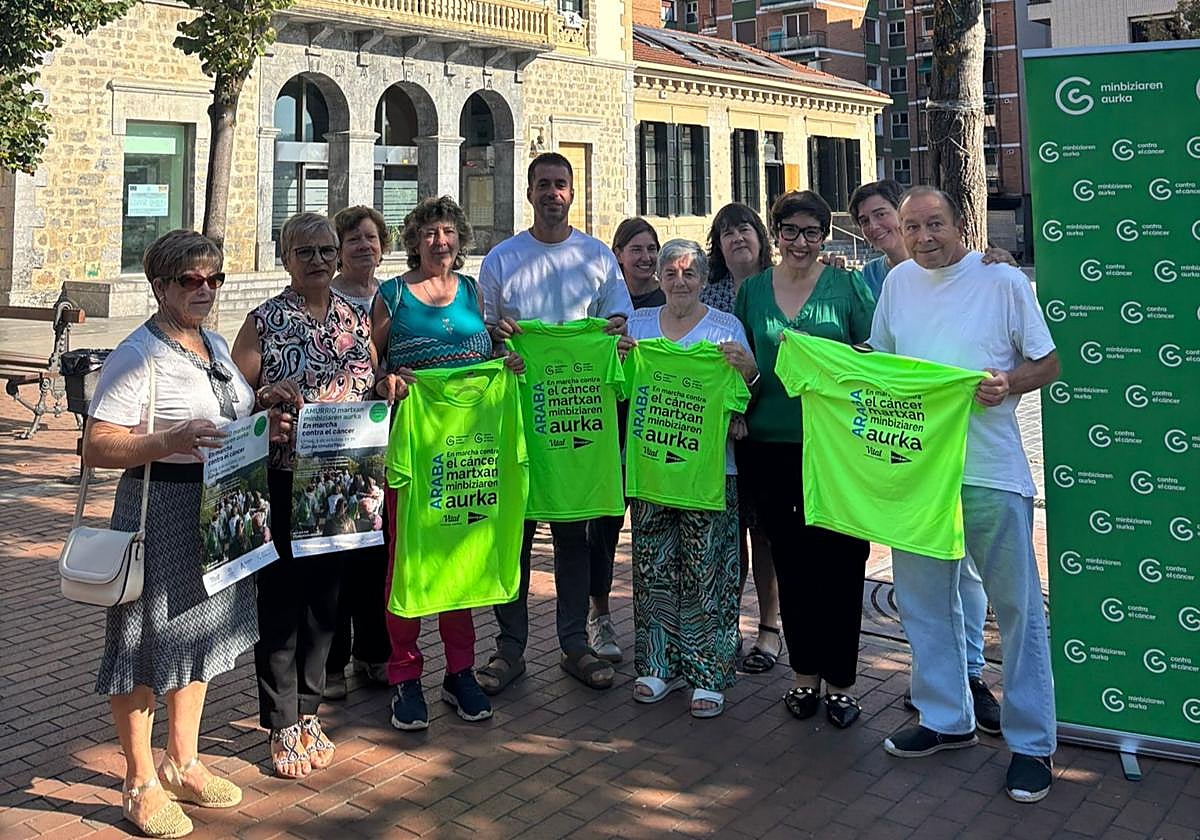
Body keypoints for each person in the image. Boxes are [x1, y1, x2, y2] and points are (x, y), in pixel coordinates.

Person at [869, 186, 1059, 803]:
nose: (924, 238)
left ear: (960, 224)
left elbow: (1048, 363)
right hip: (920, 475)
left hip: (991, 471)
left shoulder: (1001, 280)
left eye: (935, 225)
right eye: (912, 227)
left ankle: (1032, 744)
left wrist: (1008, 384)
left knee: (1017, 609)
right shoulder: (897, 284)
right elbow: (882, 364)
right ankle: (946, 718)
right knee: (924, 602)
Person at [84, 230, 260, 838]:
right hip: (158, 506)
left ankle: (183, 760)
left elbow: (229, 414)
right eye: (190, 280)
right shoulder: (139, 354)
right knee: (141, 642)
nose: (204, 289)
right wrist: (168, 441)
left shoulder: (210, 342)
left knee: (196, 636)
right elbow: (97, 445)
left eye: (213, 279)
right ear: (159, 286)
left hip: (213, 505)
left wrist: (266, 408)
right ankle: (139, 781)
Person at [849, 179, 1010, 735]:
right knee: (922, 581)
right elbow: (879, 352)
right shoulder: (878, 278)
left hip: (972, 453)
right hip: (909, 448)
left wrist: (996, 263)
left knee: (965, 574)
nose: (879, 228)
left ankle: (969, 679)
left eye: (883, 215)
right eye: (866, 220)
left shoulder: (985, 271)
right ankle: (941, 695)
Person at [232, 212, 381, 780]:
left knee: (326, 603)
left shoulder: (352, 316)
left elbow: (371, 381)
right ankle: (280, 720)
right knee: (282, 602)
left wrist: (388, 384)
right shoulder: (264, 320)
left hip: (341, 482)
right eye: (306, 252)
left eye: (325, 251)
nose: (318, 260)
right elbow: (236, 397)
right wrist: (265, 397)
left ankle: (311, 710)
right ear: (285, 258)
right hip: (283, 478)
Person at [479, 151, 634, 694]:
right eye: (542, 184)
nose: (552, 193)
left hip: (577, 420)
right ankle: (510, 648)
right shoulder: (502, 258)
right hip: (521, 413)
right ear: (529, 192)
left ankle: (574, 643)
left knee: (573, 536)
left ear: (572, 192)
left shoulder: (596, 257)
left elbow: (620, 319)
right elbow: (484, 333)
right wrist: (501, 343)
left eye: (560, 184)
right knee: (514, 537)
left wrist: (608, 331)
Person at [734, 190, 875, 729]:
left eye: (811, 232)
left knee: (841, 562)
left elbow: (874, 353)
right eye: (789, 231)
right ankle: (803, 674)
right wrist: (736, 407)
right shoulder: (751, 292)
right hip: (770, 446)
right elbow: (740, 362)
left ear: (825, 236)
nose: (799, 242)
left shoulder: (846, 286)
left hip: (835, 449)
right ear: (778, 233)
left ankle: (841, 681)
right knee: (791, 563)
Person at [371, 195, 513, 730]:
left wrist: (506, 363)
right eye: (429, 232)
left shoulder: (473, 291)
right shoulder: (391, 297)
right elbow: (371, 363)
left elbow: (488, 353)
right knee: (405, 559)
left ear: (460, 239)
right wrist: (388, 382)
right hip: (415, 445)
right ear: (414, 240)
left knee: (460, 553)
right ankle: (405, 676)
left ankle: (460, 671)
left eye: (448, 231)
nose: (440, 241)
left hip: (469, 450)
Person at [625, 239, 757, 718]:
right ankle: (658, 664)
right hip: (652, 471)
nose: (680, 281)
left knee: (709, 573)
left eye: (689, 273)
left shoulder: (726, 329)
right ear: (658, 278)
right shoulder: (637, 328)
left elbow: (745, 391)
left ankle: (708, 671)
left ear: (704, 279)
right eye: (671, 272)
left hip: (709, 473)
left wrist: (746, 371)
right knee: (652, 569)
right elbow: (616, 384)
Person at [700, 203, 782, 674]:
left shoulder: (781, 285)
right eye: (726, 233)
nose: (736, 239)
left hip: (769, 427)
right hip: (720, 432)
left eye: (744, 229)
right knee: (728, 535)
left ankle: (769, 629)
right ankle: (726, 626)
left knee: (765, 532)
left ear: (760, 237)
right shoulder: (708, 292)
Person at [585, 216, 663, 663]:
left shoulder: (666, 298)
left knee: (650, 529)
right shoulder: (603, 305)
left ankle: (655, 620)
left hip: (652, 426)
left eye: (652, 248)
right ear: (617, 255)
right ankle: (599, 615)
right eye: (636, 248)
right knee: (606, 528)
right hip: (608, 424)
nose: (646, 257)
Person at [324, 206, 393, 699]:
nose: (364, 247)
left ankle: (375, 652)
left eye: (372, 239)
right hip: (337, 439)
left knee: (377, 552)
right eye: (354, 240)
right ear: (339, 250)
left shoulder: (390, 297)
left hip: (385, 436)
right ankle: (332, 662)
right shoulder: (325, 299)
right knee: (337, 548)